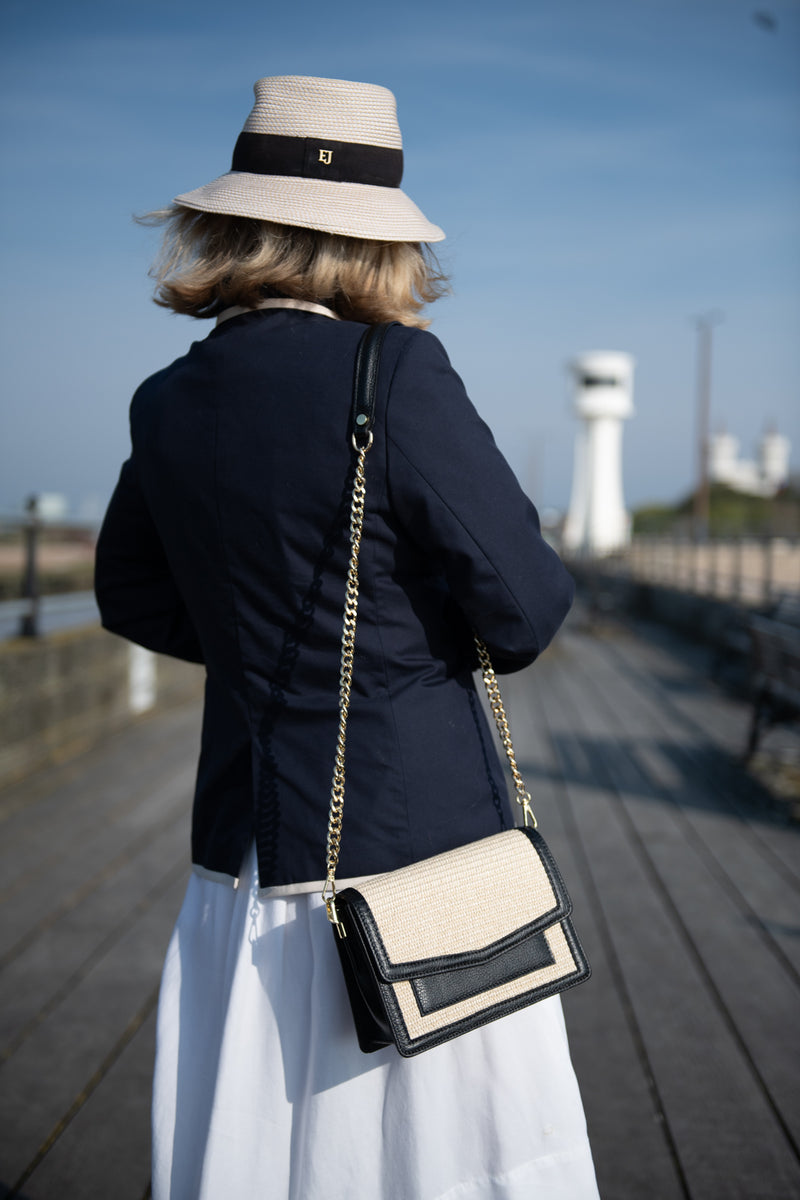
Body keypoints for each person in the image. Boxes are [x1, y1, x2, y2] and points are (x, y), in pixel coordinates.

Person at [95, 75, 600, 1200]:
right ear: (377, 242)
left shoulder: (165, 401)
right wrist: (377, 649)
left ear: (229, 221)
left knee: (253, 1154)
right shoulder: (396, 373)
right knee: (445, 1164)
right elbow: (525, 608)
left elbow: (130, 595)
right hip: (416, 870)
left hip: (240, 860)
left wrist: (262, 639)